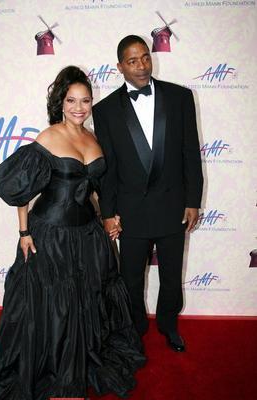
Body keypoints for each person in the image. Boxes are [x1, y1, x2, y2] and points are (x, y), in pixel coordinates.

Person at [0, 66, 146, 400]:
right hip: (51, 237)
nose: (79, 107)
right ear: (59, 102)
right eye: (71, 100)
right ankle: (60, 392)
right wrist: (24, 232)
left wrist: (107, 218)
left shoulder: (93, 137)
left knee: (83, 306)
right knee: (55, 311)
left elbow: (91, 190)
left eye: (85, 100)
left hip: (88, 236)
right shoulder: (48, 137)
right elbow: (22, 192)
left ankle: (76, 370)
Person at [92, 35, 203, 352]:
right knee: (130, 280)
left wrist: (192, 201)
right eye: (132, 60)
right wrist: (108, 213)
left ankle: (169, 326)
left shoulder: (180, 97)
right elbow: (109, 168)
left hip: (172, 206)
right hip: (130, 211)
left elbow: (190, 154)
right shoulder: (105, 110)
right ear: (120, 66)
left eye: (145, 58)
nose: (141, 65)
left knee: (171, 275)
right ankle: (135, 328)